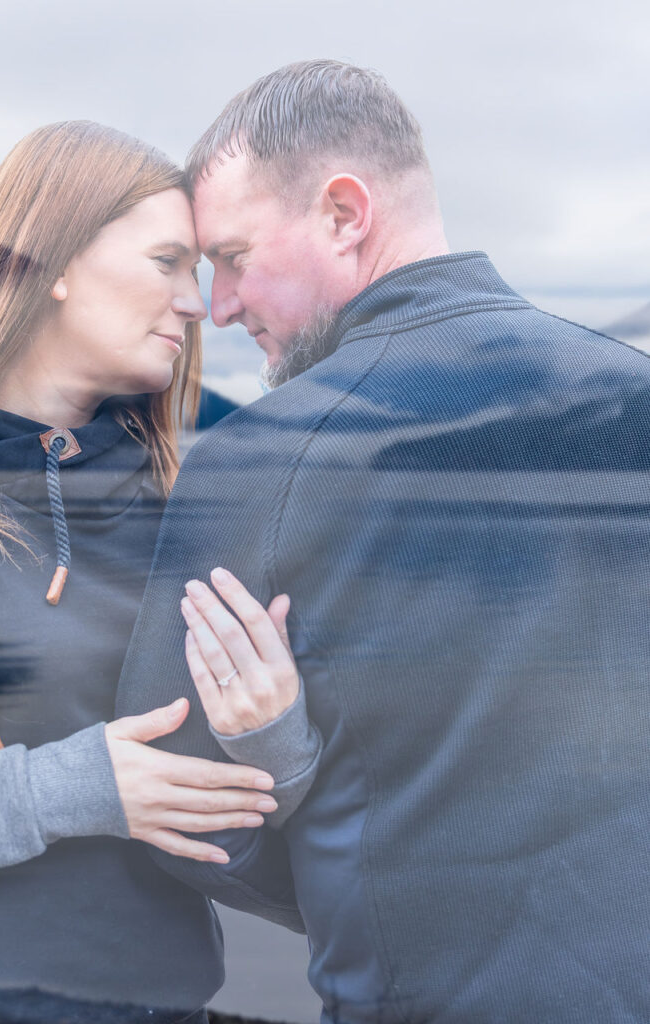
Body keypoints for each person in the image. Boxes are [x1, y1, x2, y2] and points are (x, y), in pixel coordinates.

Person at [116, 60, 650, 1023]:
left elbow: (180, 817)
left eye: (232, 257)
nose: (223, 306)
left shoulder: (260, 463)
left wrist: (304, 791)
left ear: (343, 213)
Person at [0, 120, 321, 1024]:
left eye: (200, 273)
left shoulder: (195, 516)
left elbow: (251, 816)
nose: (193, 304)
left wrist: (277, 737)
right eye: (167, 262)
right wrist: (66, 789)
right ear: (47, 263)